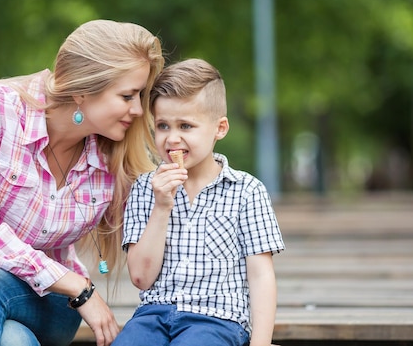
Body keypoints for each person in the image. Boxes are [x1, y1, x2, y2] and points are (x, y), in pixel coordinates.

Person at [0, 19, 165, 346]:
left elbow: (159, 240)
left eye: (139, 95)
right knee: (12, 337)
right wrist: (77, 285)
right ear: (82, 90)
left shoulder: (114, 160)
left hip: (48, 305)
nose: (139, 110)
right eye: (128, 96)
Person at [112, 58, 285, 346]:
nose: (172, 138)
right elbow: (141, 277)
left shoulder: (246, 191)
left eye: (186, 126)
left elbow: (261, 274)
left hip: (216, 320)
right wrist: (162, 206)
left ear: (220, 128)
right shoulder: (145, 189)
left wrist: (261, 342)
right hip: (152, 317)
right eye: (163, 126)